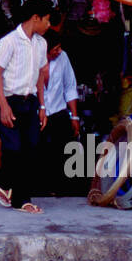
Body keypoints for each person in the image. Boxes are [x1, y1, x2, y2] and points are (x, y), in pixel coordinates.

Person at [0, 0, 53, 213]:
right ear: (36, 18)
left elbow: (41, 77)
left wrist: (43, 107)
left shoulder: (42, 44)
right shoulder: (10, 41)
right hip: (9, 100)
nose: (49, 25)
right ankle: (3, 180)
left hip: (30, 101)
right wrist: (4, 106)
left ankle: (22, 199)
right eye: (47, 20)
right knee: (14, 149)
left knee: (31, 149)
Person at [38, 30, 81, 197]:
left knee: (62, 152)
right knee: (39, 153)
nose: (59, 51)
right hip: (36, 113)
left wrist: (75, 116)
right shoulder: (31, 59)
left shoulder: (63, 57)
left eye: (60, 47)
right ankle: (39, 190)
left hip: (58, 111)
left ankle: (61, 190)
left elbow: (70, 86)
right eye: (55, 49)